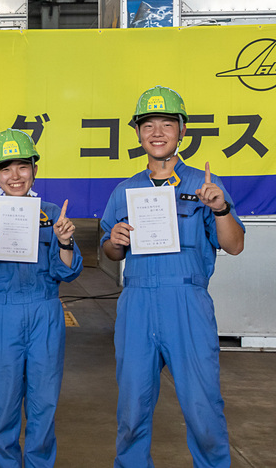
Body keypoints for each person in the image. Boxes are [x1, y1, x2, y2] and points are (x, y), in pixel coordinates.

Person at [100, 86, 245, 468]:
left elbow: (234, 246)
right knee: (132, 408)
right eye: (149, 124)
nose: (158, 131)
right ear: (137, 133)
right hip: (137, 304)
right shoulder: (125, 191)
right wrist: (114, 241)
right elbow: (110, 252)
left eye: (168, 123)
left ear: (182, 131)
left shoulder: (205, 186)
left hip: (187, 304)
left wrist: (221, 208)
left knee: (202, 408)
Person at [0, 129, 83, 468]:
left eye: (22, 167)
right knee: (4, 406)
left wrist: (64, 242)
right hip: (2, 314)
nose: (15, 176)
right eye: (6, 169)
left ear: (34, 169)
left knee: (43, 404)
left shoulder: (52, 215)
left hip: (44, 312)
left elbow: (68, 272)